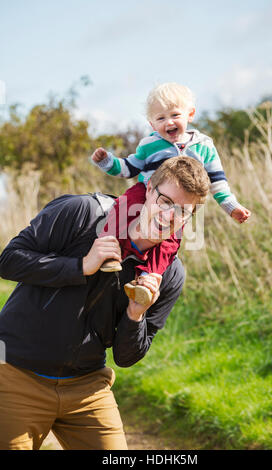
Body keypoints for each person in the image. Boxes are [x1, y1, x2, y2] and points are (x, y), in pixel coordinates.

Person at [0, 156, 205, 450]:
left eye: (182, 211)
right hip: (16, 373)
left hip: (87, 386)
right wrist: (80, 265)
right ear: (148, 190)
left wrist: (136, 316)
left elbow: (126, 357)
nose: (168, 215)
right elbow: (9, 261)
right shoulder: (82, 212)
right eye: (164, 200)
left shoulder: (169, 275)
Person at [91, 82, 251, 302]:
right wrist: (108, 162)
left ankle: (150, 276)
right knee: (123, 207)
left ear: (190, 114)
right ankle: (109, 248)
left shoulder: (204, 145)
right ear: (151, 123)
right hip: (148, 191)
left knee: (170, 240)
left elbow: (217, 181)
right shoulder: (149, 144)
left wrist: (231, 207)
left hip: (181, 203)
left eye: (175, 114)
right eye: (160, 118)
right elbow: (129, 167)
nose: (169, 122)